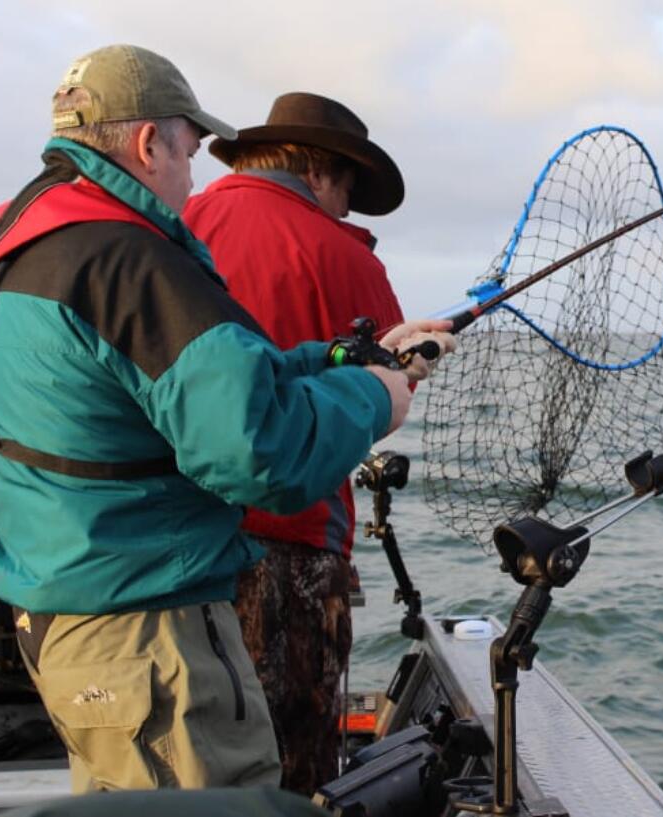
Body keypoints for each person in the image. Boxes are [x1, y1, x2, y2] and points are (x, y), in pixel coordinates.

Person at [0, 44, 454, 793]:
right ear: (148, 143)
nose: (194, 175)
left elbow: (201, 379)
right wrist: (379, 394)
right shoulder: (133, 261)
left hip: (66, 612)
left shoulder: (30, 252)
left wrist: (339, 359)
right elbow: (259, 451)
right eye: (190, 150)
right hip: (147, 627)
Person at [182, 93, 409, 794]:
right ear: (319, 170)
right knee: (297, 758)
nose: (345, 212)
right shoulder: (345, 257)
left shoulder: (175, 225)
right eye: (346, 192)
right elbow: (389, 392)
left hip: (179, 541)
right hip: (295, 548)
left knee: (202, 747)